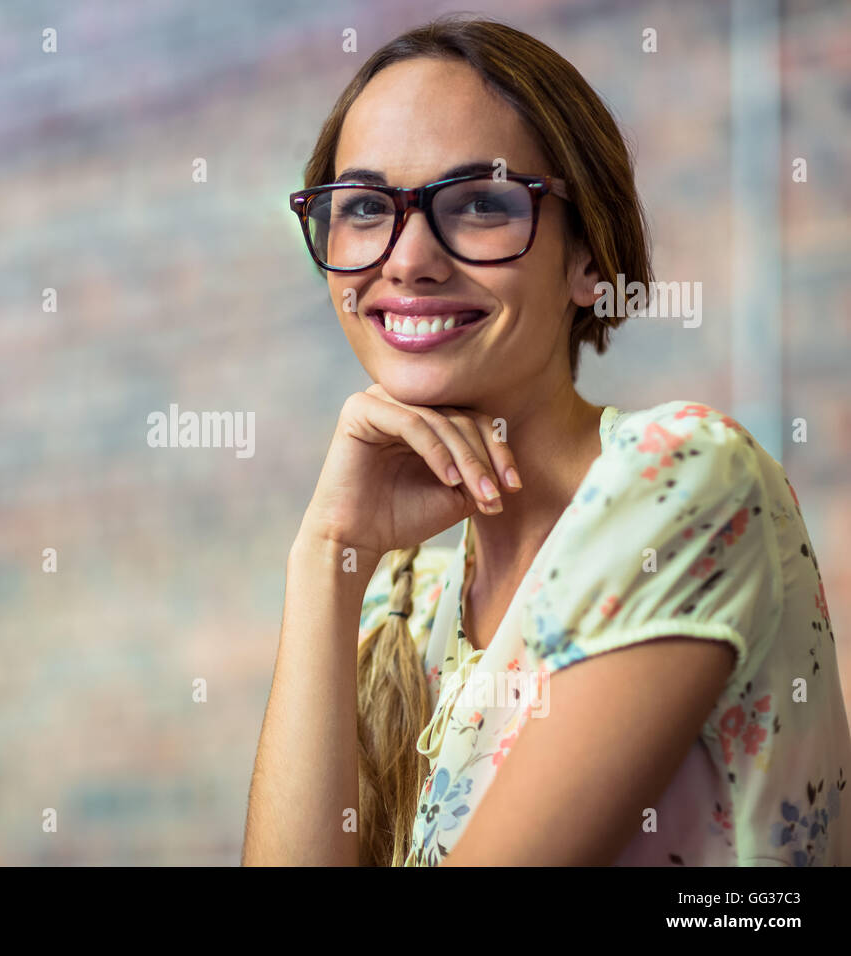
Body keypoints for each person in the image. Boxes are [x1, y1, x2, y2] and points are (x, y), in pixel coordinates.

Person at [242, 15, 850, 866]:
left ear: (588, 258)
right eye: (368, 208)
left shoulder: (684, 480)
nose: (408, 258)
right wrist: (327, 553)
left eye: (481, 203)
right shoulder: (402, 597)